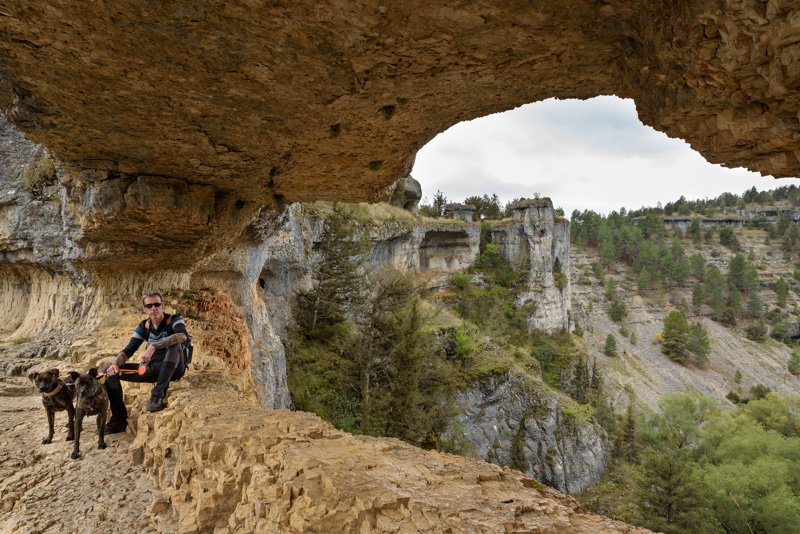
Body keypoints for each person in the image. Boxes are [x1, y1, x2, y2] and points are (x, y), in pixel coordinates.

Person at [101, 291, 189, 434]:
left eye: (157, 304)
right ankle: (119, 418)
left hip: (174, 367)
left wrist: (154, 346)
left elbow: (182, 336)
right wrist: (115, 363)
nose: (153, 308)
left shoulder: (174, 320)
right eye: (149, 306)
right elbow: (128, 350)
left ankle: (157, 395)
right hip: (154, 369)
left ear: (163, 305)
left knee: (175, 345)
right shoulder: (144, 326)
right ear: (144, 309)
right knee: (108, 371)